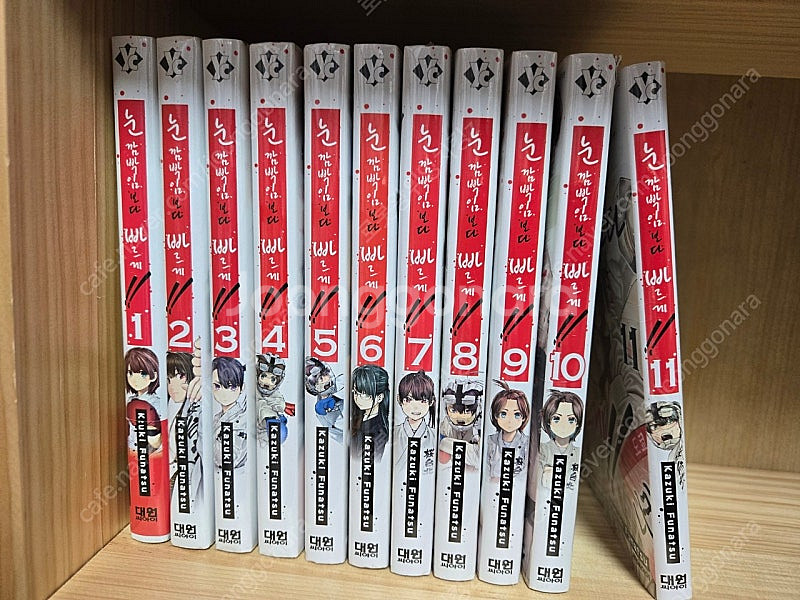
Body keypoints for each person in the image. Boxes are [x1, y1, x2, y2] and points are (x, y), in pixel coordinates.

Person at [166, 351, 203, 503]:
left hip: (189, 477)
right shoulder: (168, 407)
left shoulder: (197, 410)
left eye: (181, 376)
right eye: (168, 380)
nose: (173, 386)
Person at [537, 390, 583, 490]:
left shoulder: (578, 453)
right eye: (556, 418)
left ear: (578, 423)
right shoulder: (542, 450)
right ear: (548, 421)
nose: (563, 425)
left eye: (571, 419)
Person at [485, 380, 530, 480]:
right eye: (503, 414)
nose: (510, 420)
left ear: (524, 417)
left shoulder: (527, 443)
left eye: (517, 414)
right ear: (496, 415)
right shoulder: (490, 441)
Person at [394, 371, 436, 474]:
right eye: (408, 400)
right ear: (399, 399)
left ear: (431, 401)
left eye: (423, 401)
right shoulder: (392, 433)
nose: (416, 407)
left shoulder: (435, 436)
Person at [125, 347, 163, 453]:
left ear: (154, 376)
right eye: (130, 373)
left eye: (143, 374)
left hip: (149, 455)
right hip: (131, 452)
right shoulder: (130, 400)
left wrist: (150, 429)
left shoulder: (157, 403)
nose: (135, 379)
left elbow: (157, 443)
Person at [212, 356, 247, 468]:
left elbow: (226, 460)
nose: (224, 393)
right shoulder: (217, 417)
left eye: (232, 387)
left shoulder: (241, 420)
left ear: (242, 388)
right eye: (217, 386)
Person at [438, 380, 482, 470]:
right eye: (453, 411)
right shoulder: (445, 425)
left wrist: (446, 443)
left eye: (467, 411)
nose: (460, 416)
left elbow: (479, 458)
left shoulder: (480, 428)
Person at [350, 365, 390, 461]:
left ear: (379, 397)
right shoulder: (358, 417)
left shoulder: (379, 429)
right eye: (356, 392)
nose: (357, 398)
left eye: (365, 395)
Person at [305, 357, 344, 443]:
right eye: (321, 378)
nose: (327, 377)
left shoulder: (342, 380)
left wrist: (335, 398)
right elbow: (335, 434)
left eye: (325, 373)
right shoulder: (321, 411)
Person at [255, 354, 291, 446]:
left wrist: (280, 411)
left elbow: (276, 401)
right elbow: (260, 404)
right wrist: (270, 417)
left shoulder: (276, 395)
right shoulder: (252, 389)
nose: (266, 382)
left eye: (272, 379)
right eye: (263, 376)